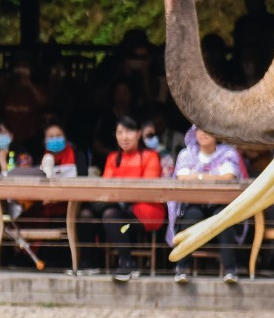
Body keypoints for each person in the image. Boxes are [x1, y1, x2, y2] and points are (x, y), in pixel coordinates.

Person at [168, 126, 247, 284]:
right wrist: (213, 176)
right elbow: (182, 178)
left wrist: (199, 176)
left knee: (224, 220)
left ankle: (230, 270)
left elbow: (229, 178)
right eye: (200, 130)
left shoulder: (228, 153)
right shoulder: (186, 154)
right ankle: (182, 268)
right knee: (191, 217)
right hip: (193, 203)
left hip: (220, 203)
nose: (204, 133)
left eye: (208, 129)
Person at [93, 116, 164, 282]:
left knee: (111, 217)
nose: (124, 137)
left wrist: (120, 194)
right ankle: (89, 263)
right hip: (121, 212)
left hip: (144, 214)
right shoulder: (113, 158)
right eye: (120, 132)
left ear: (139, 134)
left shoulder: (150, 156)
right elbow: (106, 188)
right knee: (89, 214)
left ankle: (127, 262)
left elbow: (147, 189)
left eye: (129, 131)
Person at [232, 0, 274, 75]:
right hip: (246, 65)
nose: (252, 2)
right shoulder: (241, 23)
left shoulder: (271, 20)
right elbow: (237, 48)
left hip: (270, 62)